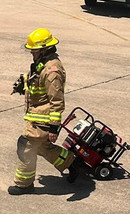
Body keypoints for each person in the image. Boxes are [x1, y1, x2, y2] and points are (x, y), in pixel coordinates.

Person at [8, 28, 79, 195]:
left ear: (45, 49)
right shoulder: (42, 64)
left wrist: (54, 127)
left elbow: (56, 100)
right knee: (42, 147)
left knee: (26, 146)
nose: (32, 53)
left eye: (34, 50)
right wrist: (24, 84)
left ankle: (24, 184)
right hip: (37, 116)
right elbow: (36, 80)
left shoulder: (52, 71)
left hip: (43, 119)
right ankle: (70, 162)